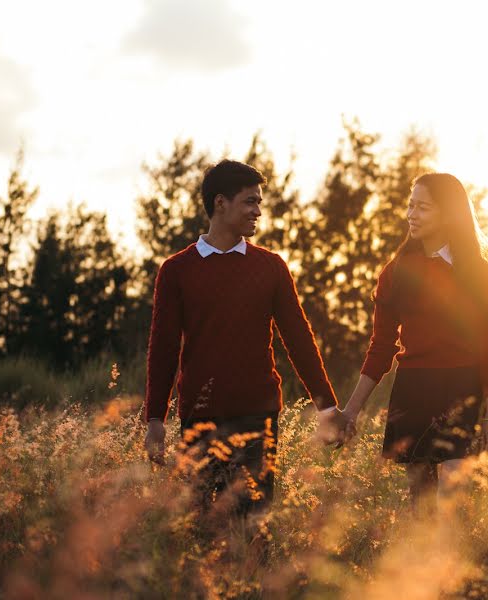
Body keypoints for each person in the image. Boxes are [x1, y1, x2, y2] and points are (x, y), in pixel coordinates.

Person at [143, 159, 351, 517]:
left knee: (254, 523)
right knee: (204, 524)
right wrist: (155, 418)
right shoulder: (176, 270)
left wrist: (327, 406)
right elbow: (163, 348)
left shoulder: (271, 267)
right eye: (250, 202)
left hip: (258, 416)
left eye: (259, 203)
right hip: (200, 417)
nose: (258, 211)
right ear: (220, 203)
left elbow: (298, 339)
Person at [342, 173, 488, 513]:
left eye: (423, 207)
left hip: (462, 386)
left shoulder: (477, 272)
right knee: (421, 502)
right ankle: (420, 565)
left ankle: (452, 564)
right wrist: (351, 410)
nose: (412, 214)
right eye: (410, 205)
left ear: (447, 213)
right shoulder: (395, 272)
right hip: (413, 388)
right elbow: (381, 346)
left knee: (451, 496)